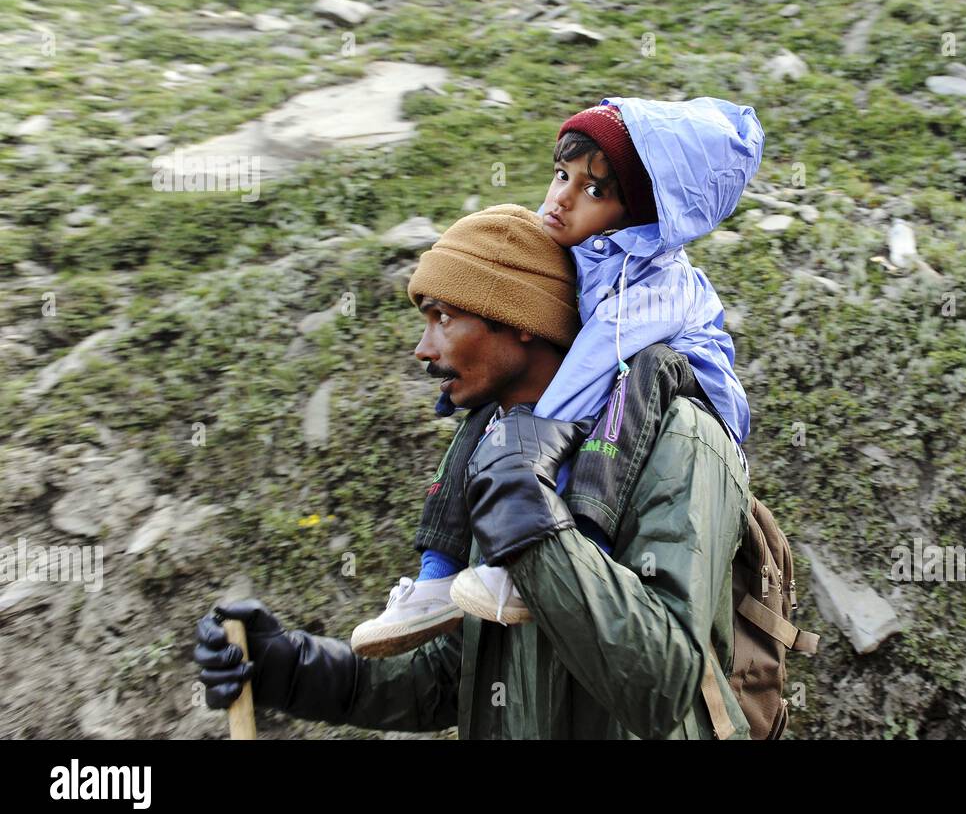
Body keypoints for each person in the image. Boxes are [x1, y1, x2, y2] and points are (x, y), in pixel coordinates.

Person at [194, 207, 757, 739]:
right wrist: (288, 669)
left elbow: (663, 687)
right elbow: (454, 673)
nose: (422, 348)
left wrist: (536, 534)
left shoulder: (679, 437)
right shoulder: (501, 444)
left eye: (443, 317)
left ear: (521, 319)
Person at [343, 98, 761, 649]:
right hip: (611, 382)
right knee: (492, 412)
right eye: (562, 174)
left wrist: (524, 451)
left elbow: (589, 366)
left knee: (629, 384)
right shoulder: (583, 254)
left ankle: (583, 545)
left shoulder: (657, 284)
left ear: (641, 216)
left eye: (594, 191)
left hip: (678, 386)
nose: (562, 197)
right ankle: (435, 574)